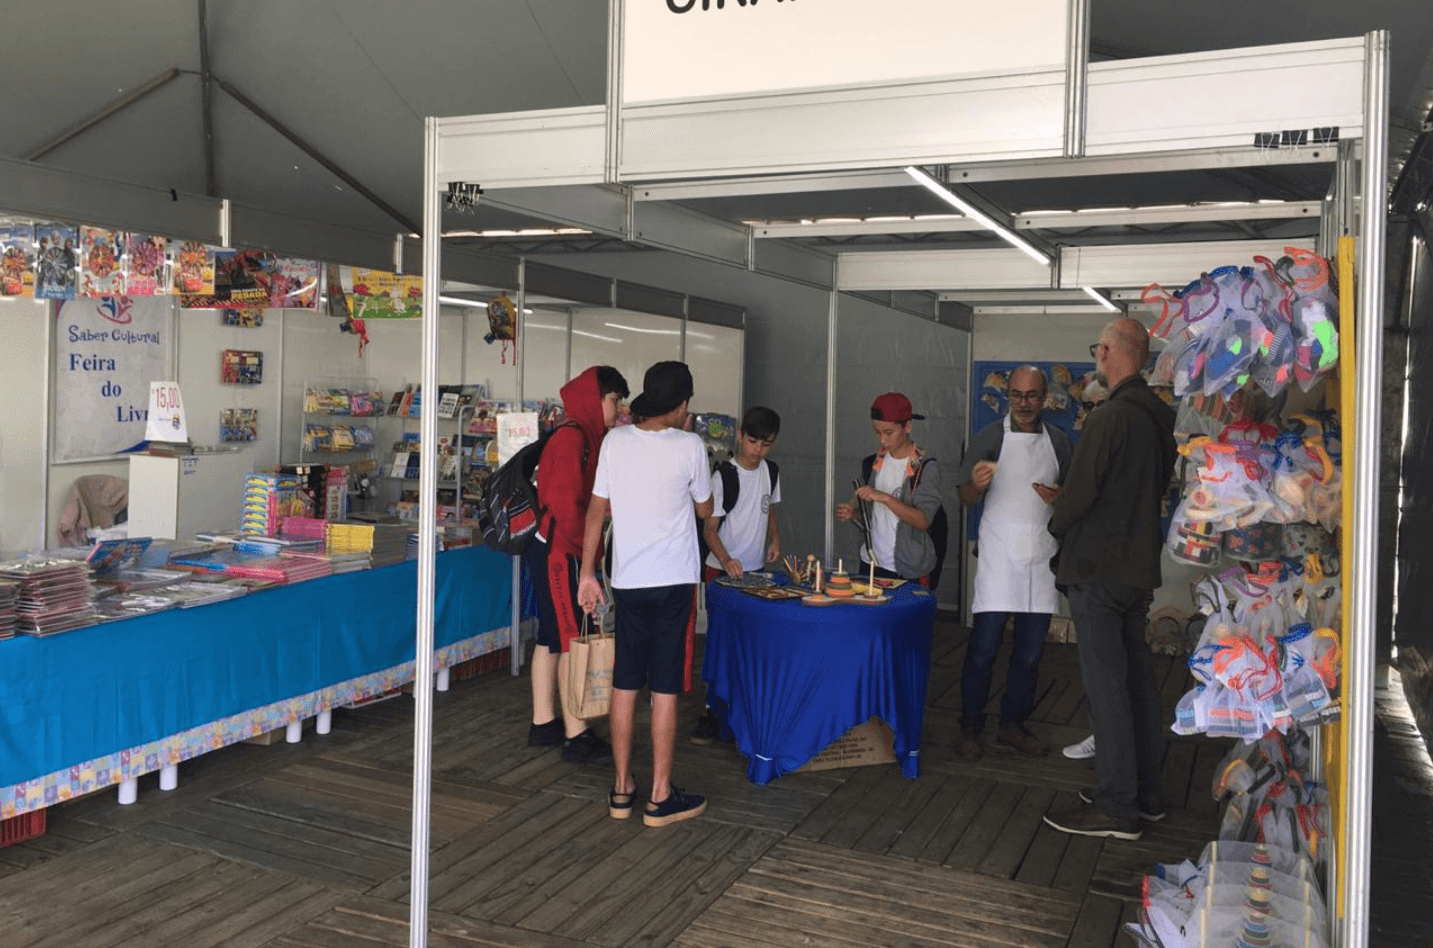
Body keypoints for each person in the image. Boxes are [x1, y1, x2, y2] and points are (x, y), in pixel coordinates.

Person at [1042, 318, 1177, 841]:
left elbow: (1079, 495)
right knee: (1137, 682)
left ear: (1108, 354)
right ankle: (1146, 794)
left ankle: (1117, 806)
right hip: (1137, 566)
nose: (1096, 355)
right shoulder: (1160, 416)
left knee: (1106, 689)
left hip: (1098, 567)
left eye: (1098, 347)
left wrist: (1056, 520)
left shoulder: (1108, 418)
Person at [578, 361, 713, 828]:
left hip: (627, 580)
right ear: (678, 406)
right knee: (666, 688)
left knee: (625, 682)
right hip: (675, 582)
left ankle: (621, 788)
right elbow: (705, 507)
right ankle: (659, 795)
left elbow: (596, 511)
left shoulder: (615, 441)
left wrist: (587, 574)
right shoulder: (691, 445)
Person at [954, 366, 1072, 760]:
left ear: (1045, 398)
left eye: (1032, 396)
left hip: (1040, 557)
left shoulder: (1059, 442)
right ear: (1008, 398)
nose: (1024, 403)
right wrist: (977, 484)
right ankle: (970, 726)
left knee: (1030, 653)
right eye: (1017, 396)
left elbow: (1073, 494)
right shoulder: (989, 437)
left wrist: (1060, 498)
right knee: (984, 648)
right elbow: (965, 498)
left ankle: (1013, 724)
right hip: (1000, 558)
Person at [523, 365, 628, 763]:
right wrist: (587, 556)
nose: (618, 409)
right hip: (561, 551)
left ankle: (544, 722)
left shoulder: (581, 435)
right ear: (594, 398)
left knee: (552, 637)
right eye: (614, 400)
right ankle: (576, 732)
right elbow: (568, 507)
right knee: (571, 637)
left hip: (554, 547)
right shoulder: (573, 438)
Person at [691, 406, 782, 745]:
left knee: (750, 641)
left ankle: (742, 707)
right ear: (741, 435)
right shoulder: (723, 476)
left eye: (766, 444)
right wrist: (727, 560)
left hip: (756, 571)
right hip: (722, 572)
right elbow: (709, 528)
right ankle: (711, 710)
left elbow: (770, 507)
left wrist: (775, 539)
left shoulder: (771, 471)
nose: (758, 450)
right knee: (720, 642)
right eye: (754, 441)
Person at [836, 392, 941, 584]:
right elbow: (873, 519)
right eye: (877, 432)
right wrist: (854, 514)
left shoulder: (925, 467)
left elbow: (923, 521)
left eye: (889, 432)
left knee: (905, 614)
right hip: (871, 563)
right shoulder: (871, 463)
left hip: (907, 568)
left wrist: (884, 497)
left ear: (908, 426)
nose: (882, 440)